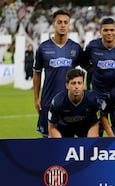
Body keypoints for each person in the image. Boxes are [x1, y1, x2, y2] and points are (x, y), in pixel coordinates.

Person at [33, 9, 85, 137]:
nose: (62, 25)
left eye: (65, 22)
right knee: (47, 142)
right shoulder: (43, 48)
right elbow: (37, 73)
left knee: (68, 143)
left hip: (70, 103)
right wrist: (36, 98)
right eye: (59, 22)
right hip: (48, 101)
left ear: (69, 25)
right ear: (53, 24)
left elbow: (89, 68)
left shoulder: (75, 48)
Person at [48, 69, 100, 138]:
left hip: (85, 128)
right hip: (65, 128)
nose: (76, 87)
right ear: (67, 85)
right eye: (73, 83)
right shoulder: (58, 101)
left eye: (79, 83)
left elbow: (95, 124)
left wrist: (89, 142)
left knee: (94, 140)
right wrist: (59, 143)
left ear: (83, 84)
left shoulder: (92, 99)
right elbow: (52, 127)